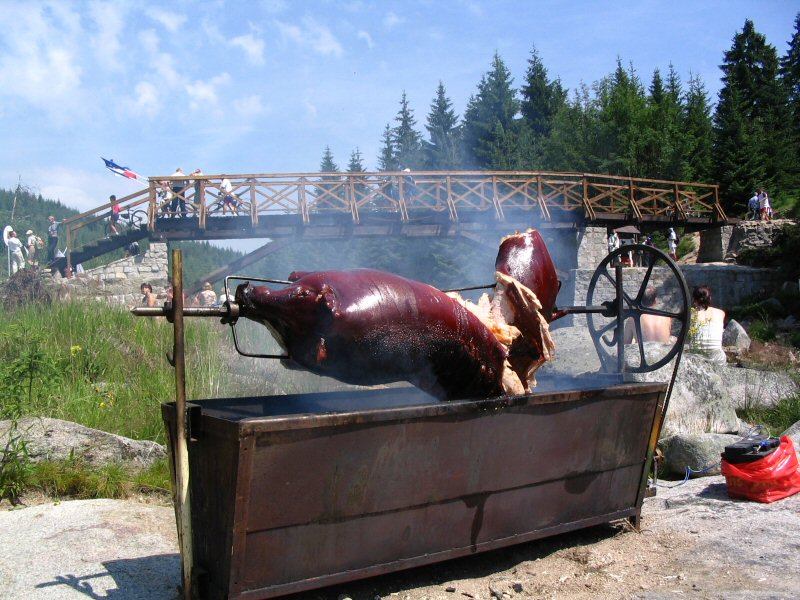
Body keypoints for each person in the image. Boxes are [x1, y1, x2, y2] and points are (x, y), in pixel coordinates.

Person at [689, 286, 726, 364]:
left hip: (696, 357)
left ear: (694, 300)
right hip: (718, 358)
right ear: (710, 298)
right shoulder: (721, 313)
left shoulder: (691, 315)